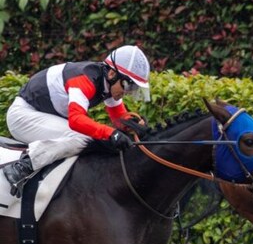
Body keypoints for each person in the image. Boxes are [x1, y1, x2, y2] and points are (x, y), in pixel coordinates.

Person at [2, 45, 150, 197]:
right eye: (127, 85)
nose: (127, 91)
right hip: (23, 116)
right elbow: (76, 120)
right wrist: (111, 133)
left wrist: (133, 125)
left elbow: (119, 118)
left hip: (41, 115)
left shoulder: (108, 83)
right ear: (112, 74)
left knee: (91, 140)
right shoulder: (85, 78)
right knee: (82, 138)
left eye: (133, 87)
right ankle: (22, 167)